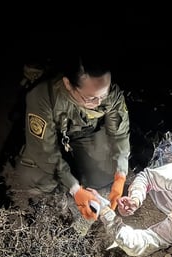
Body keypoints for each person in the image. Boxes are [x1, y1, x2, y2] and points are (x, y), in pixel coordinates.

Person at [15, 53, 130, 221]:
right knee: (35, 177)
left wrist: (120, 174)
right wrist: (75, 189)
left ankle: (80, 170)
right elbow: (44, 151)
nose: (98, 102)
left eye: (102, 96)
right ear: (68, 84)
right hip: (51, 140)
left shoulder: (111, 93)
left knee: (106, 173)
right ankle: (57, 201)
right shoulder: (43, 97)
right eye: (90, 98)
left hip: (83, 134)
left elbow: (119, 134)